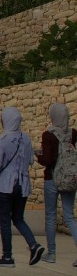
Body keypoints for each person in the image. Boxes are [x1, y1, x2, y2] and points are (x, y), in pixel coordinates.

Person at [0, 106, 46, 268]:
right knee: (18, 218)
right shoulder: (26, 139)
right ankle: (34, 245)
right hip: (23, 184)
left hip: (6, 185)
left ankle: (7, 257)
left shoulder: (2, 140)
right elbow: (31, 161)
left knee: (5, 221)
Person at [37, 102, 77, 265]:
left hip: (52, 179)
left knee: (51, 216)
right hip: (70, 178)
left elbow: (47, 160)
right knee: (69, 216)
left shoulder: (49, 135)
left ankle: (51, 253)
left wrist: (38, 156)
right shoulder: (73, 133)